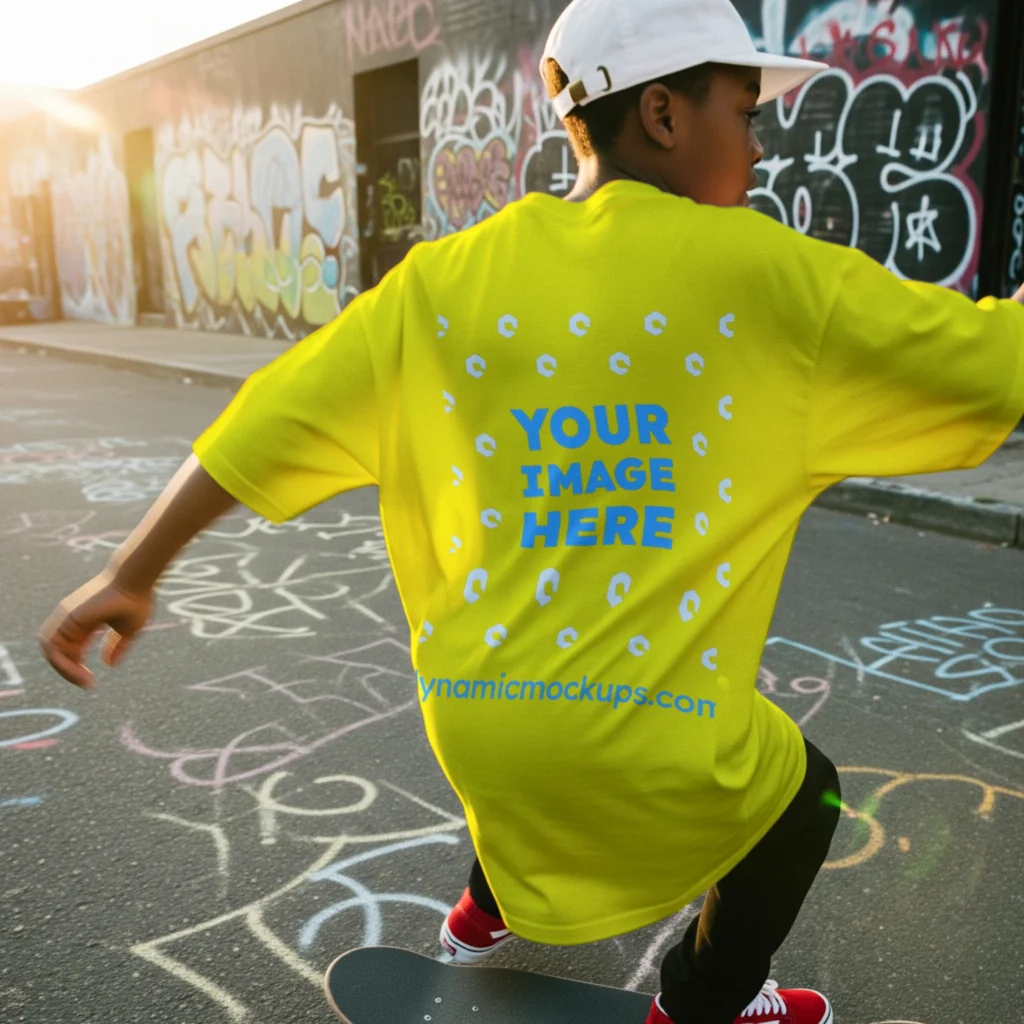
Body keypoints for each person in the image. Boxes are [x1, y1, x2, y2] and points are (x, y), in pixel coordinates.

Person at [39, 0, 1024, 1021]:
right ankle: (699, 1003)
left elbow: (260, 424)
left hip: (473, 724)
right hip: (653, 739)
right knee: (803, 796)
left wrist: (133, 572)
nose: (762, 144)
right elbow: (994, 359)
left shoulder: (440, 282)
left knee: (536, 693)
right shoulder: (773, 277)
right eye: (744, 109)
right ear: (662, 113)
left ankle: (478, 909)